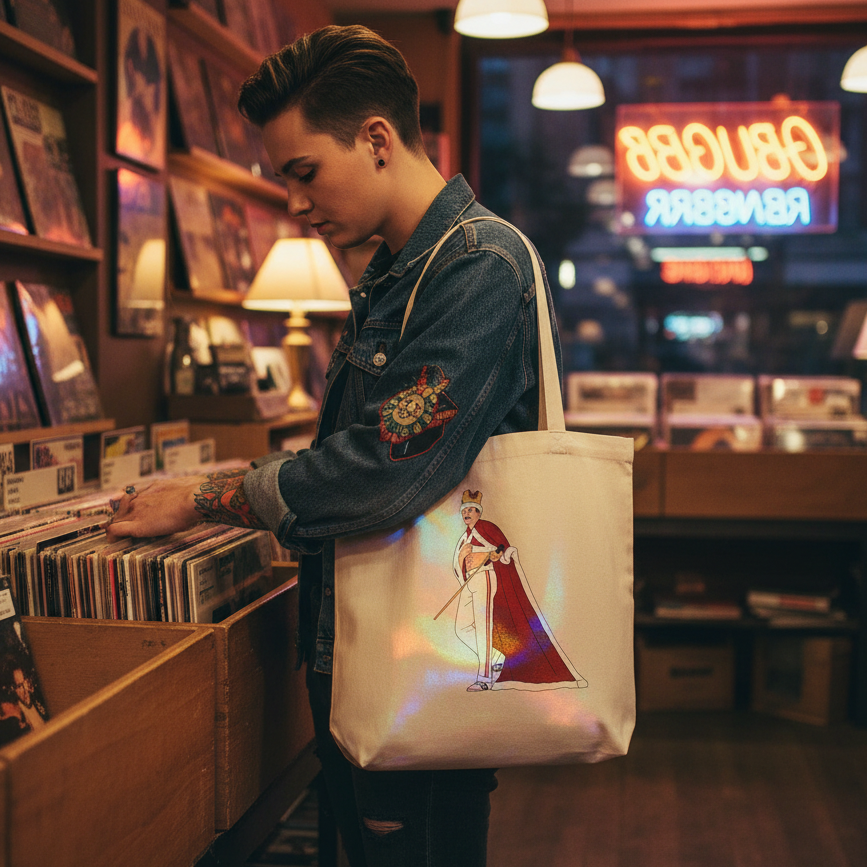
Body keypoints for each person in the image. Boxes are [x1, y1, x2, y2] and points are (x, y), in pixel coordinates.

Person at [106, 24, 561, 867]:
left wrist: (209, 497)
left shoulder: (477, 265)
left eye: (303, 170)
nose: (295, 201)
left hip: (424, 662)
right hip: (380, 652)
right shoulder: (398, 269)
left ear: (377, 139)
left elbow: (388, 467)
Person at [451, 490, 588, 693]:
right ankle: (498, 657)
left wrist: (487, 555)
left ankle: (484, 677)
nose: (467, 514)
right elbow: (457, 564)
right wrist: (462, 557)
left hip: (485, 578)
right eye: (465, 510)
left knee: (483, 627)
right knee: (461, 628)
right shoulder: (464, 537)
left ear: (479, 512)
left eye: (472, 510)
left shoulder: (486, 527)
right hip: (468, 581)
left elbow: (502, 550)